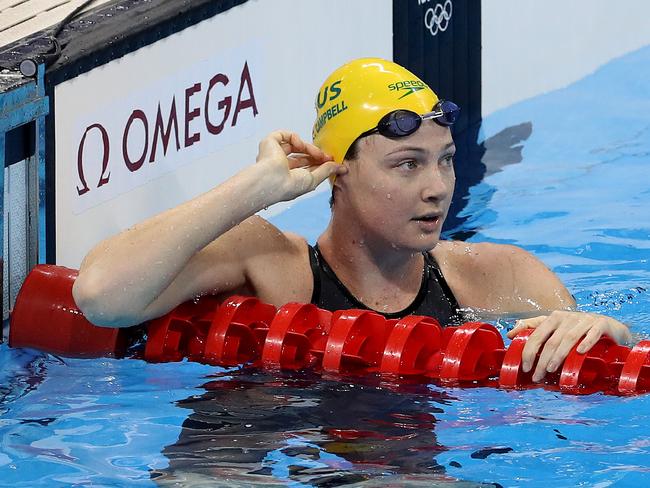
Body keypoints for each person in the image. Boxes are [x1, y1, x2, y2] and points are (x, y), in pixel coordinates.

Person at [73, 58, 632, 383]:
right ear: (338, 173)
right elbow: (101, 296)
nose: (437, 187)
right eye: (406, 165)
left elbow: (602, 370)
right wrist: (252, 189)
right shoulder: (271, 264)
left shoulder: (502, 276)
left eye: (445, 160)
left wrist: (611, 334)